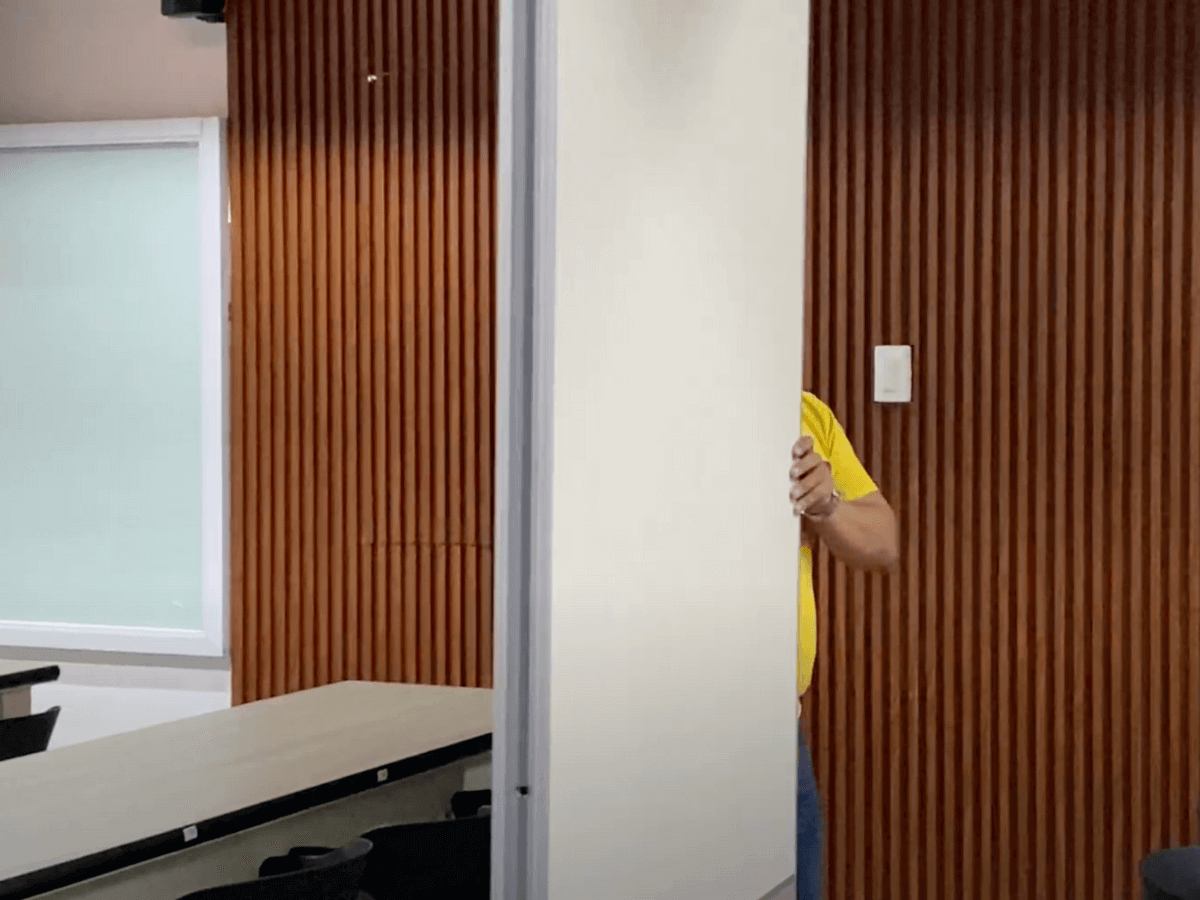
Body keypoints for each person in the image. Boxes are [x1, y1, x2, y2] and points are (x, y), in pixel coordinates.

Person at [789, 392, 898, 900]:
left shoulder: (806, 412)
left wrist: (826, 503)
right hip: (660, 735)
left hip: (778, 738)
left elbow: (882, 540)